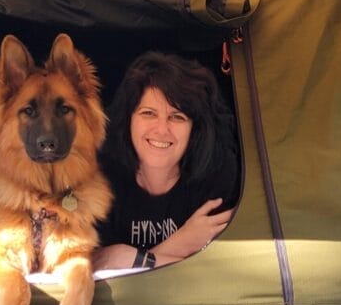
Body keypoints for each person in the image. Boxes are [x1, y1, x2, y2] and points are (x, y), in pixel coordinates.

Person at [94, 51, 241, 271]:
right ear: (128, 120)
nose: (162, 129)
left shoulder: (217, 181)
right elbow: (89, 265)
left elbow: (218, 273)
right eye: (148, 113)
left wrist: (127, 258)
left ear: (195, 128)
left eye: (177, 117)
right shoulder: (102, 179)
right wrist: (177, 246)